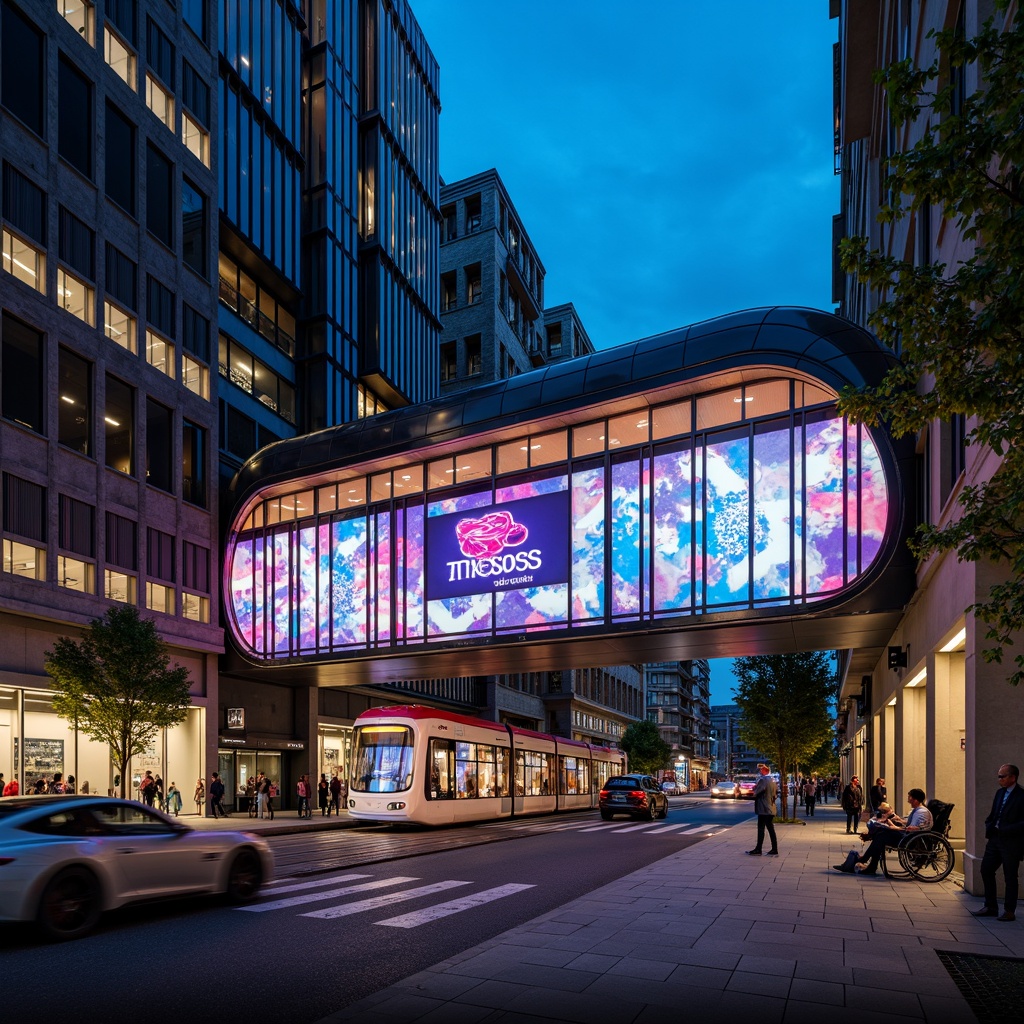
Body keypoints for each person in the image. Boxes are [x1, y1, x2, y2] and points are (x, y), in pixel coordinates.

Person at [836, 788, 933, 875]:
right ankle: (869, 864)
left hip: (910, 839)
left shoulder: (921, 812)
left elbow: (912, 828)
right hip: (909, 836)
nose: (908, 798)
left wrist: (895, 827)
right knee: (880, 834)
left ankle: (867, 861)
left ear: (914, 799)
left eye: (909, 796)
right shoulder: (918, 810)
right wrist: (898, 820)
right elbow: (910, 824)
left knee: (881, 836)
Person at [972, 763, 1024, 923]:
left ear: (1012, 777)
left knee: (1010, 876)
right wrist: (990, 825)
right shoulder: (999, 793)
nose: (999, 779)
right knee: (986, 869)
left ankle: (1009, 910)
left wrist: (1005, 829)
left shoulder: (1021, 796)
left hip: (1011, 842)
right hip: (995, 839)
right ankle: (991, 906)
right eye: (999, 776)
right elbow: (993, 814)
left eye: (1002, 776)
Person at [745, 763, 779, 856]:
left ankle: (758, 849)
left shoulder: (763, 780)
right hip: (771, 807)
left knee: (761, 828)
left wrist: (754, 789)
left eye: (761, 770)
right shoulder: (773, 780)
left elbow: (757, 792)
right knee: (770, 829)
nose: (760, 771)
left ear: (764, 771)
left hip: (763, 808)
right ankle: (774, 848)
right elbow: (775, 794)